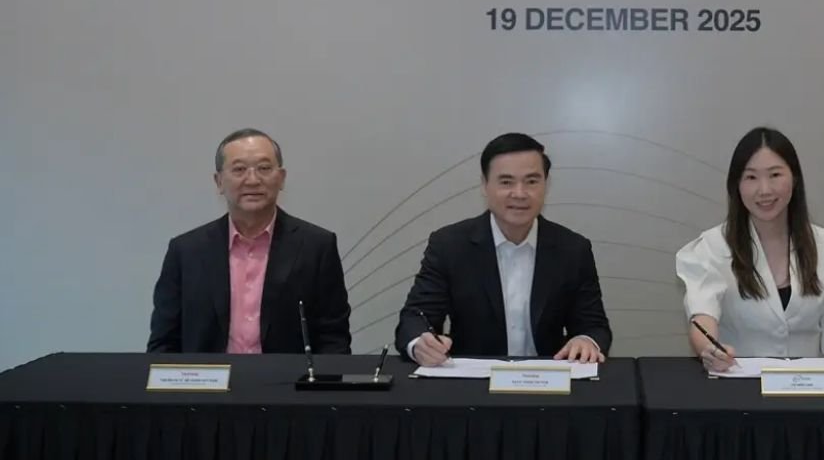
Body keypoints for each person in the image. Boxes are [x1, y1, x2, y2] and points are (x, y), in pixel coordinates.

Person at [395, 132, 612, 365]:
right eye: (506, 182)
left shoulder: (573, 249)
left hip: (547, 378)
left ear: (546, 185)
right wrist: (420, 344)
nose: (519, 193)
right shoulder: (449, 245)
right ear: (484, 185)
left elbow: (593, 325)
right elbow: (415, 318)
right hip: (473, 379)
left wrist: (585, 340)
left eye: (531, 181)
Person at [675, 127, 824, 372]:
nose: (764, 190)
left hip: (812, 389)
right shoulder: (711, 247)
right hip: (738, 387)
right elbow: (702, 314)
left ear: (794, 178)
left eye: (775, 175)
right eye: (751, 177)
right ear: (736, 185)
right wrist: (710, 349)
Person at [147, 128, 351, 353]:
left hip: (287, 376)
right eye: (239, 169)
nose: (252, 180)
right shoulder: (186, 252)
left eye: (264, 168)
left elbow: (334, 340)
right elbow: (164, 343)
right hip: (208, 376)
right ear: (219, 181)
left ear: (281, 178)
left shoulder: (317, 247)